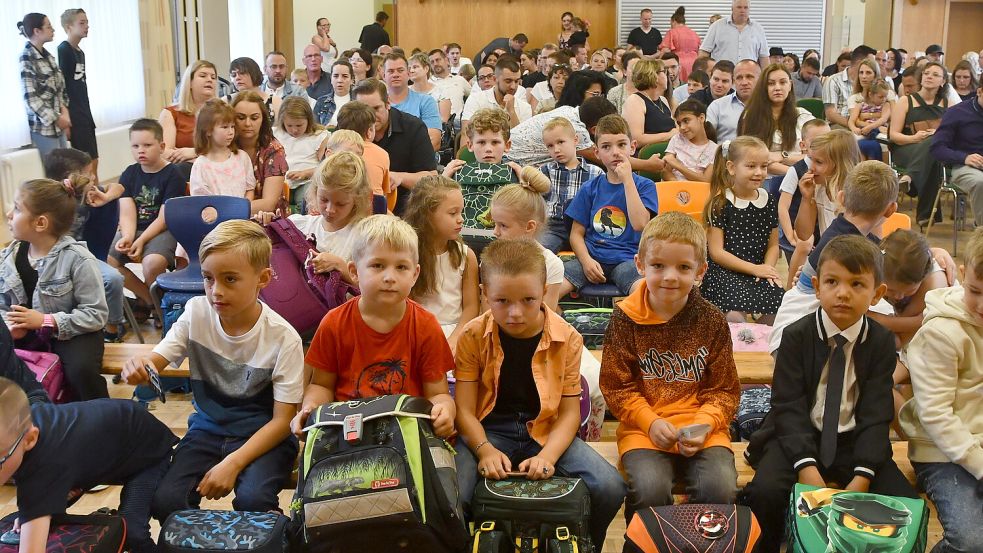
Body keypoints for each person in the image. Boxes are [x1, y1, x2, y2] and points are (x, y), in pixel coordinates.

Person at [745, 234, 920, 553]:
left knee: (906, 504)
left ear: (876, 294)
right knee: (765, 492)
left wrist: (863, 474)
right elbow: (788, 407)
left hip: (855, 442)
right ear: (817, 286)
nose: (843, 293)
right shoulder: (795, 337)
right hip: (799, 437)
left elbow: (876, 413)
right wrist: (806, 465)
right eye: (833, 282)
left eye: (856, 285)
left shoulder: (881, 343)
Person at [454, 238, 626, 547]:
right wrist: (484, 450)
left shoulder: (567, 338)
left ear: (545, 291)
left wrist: (548, 456)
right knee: (453, 492)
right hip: (488, 430)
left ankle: (584, 543)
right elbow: (464, 410)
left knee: (609, 486)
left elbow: (571, 413)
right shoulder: (472, 336)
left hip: (546, 431)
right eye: (502, 301)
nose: (515, 312)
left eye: (528, 300)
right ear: (484, 295)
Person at [600, 212, 740, 519]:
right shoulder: (624, 318)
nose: (670, 276)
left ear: (700, 271)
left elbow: (725, 391)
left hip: (704, 430)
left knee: (720, 487)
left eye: (684, 267)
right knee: (650, 489)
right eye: (658, 266)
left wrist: (704, 422)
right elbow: (616, 388)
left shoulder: (712, 320)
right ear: (640, 265)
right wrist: (650, 421)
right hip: (643, 429)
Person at [292, 214, 456, 437]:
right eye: (377, 265)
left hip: (405, 433)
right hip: (345, 433)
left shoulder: (426, 325)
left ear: (415, 274)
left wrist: (444, 411)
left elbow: (438, 393)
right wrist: (310, 408)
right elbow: (321, 386)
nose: (390, 277)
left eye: (401, 267)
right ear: (353, 272)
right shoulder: (334, 322)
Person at [0, 379, 178, 553]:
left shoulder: (43, 463)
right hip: (103, 449)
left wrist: (33, 513)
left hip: (148, 452)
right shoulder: (19, 432)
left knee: (133, 530)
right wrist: (31, 513)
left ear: (30, 439)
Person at [898, 228, 983, 553]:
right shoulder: (944, 333)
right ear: (962, 274)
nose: (981, 305)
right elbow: (936, 415)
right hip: (941, 451)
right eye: (974, 291)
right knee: (971, 542)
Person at [768, 161, 900, 353]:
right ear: (891, 210)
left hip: (799, 325)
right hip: (795, 339)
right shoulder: (849, 246)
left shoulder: (847, 230)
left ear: (842, 197)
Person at [1, 178, 109, 400]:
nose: (9, 214)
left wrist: (45, 321)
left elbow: (95, 315)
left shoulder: (78, 259)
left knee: (81, 372)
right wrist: (9, 326)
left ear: (40, 223)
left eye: (17, 208)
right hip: (27, 332)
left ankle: (100, 416)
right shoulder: (8, 258)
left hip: (74, 332)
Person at [559, 114, 659, 299]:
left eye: (621, 145)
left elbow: (640, 224)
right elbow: (576, 234)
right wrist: (586, 260)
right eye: (606, 146)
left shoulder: (645, 186)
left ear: (633, 147)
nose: (615, 152)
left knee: (645, 293)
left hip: (629, 260)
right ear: (597, 153)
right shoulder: (590, 188)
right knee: (550, 286)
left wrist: (627, 180)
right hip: (591, 258)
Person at [42, 148, 128, 342]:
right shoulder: (49, 201)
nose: (93, 177)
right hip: (56, 257)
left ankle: (112, 330)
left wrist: (106, 197)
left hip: (83, 255)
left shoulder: (89, 194)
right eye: (88, 173)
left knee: (113, 278)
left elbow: (119, 187)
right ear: (70, 177)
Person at [701, 136, 784, 323]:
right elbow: (716, 252)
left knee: (779, 314)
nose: (759, 172)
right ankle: (742, 347)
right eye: (751, 166)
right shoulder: (720, 203)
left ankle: (758, 346)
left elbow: (773, 245)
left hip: (759, 270)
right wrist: (755, 269)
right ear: (731, 168)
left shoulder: (769, 200)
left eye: (764, 166)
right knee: (734, 317)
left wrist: (768, 269)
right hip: (725, 272)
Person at [108, 119, 184, 320]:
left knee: (152, 264)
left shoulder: (173, 174)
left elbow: (164, 218)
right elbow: (127, 212)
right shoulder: (129, 173)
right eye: (135, 146)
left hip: (163, 230)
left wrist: (141, 241)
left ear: (161, 147)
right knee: (106, 261)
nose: (141, 150)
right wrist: (128, 237)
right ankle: (150, 300)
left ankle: (161, 312)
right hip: (135, 229)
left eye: (147, 145)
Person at [258, 152, 371, 286]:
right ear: (315, 191)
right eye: (323, 200)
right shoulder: (299, 225)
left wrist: (341, 267)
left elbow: (372, 286)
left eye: (340, 204)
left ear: (357, 200)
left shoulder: (365, 237)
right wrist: (268, 229)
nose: (329, 209)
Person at [404, 177, 479, 350]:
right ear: (426, 215)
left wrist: (453, 341)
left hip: (457, 332)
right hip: (416, 332)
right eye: (453, 213)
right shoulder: (408, 254)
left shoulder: (466, 256)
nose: (460, 219)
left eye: (461, 212)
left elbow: (471, 308)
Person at [354, 79, 437, 216]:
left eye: (376, 109)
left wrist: (399, 178)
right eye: (364, 110)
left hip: (405, 212)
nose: (370, 117)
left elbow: (431, 178)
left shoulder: (413, 127)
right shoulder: (349, 125)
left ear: (388, 104)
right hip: (356, 211)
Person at [889, 61, 950, 225]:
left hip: (932, 152)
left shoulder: (948, 103)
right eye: (927, 73)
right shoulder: (905, 101)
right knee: (934, 150)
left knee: (934, 145)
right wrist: (914, 138)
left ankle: (910, 178)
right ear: (921, 77)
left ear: (943, 81)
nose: (929, 76)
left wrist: (936, 134)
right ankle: (926, 215)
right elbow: (894, 135)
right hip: (906, 148)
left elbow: (953, 133)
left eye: (935, 74)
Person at [487, 180, 564, 309]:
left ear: (529, 226)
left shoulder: (551, 264)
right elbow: (487, 314)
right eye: (494, 224)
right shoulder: (490, 260)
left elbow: (547, 316)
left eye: (503, 225)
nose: (495, 232)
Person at [538, 117, 605, 253]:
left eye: (561, 142)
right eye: (550, 146)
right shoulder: (545, 171)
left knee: (599, 252)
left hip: (584, 227)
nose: (556, 149)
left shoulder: (595, 172)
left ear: (575, 140)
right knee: (539, 251)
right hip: (553, 227)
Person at [776, 119, 831, 280]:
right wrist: (791, 237)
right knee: (800, 276)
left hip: (821, 234)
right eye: (816, 141)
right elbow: (783, 207)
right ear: (802, 145)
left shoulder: (831, 171)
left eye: (827, 140)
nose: (822, 145)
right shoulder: (795, 170)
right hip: (799, 234)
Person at [737, 64, 814, 176]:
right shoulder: (751, 116)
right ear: (763, 87)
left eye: (783, 82)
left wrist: (782, 156)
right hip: (764, 178)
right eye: (771, 83)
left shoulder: (804, 116)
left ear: (790, 85)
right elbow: (755, 160)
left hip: (804, 177)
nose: (777, 88)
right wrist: (793, 174)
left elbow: (816, 156)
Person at [931, 80, 982, 229]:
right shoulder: (957, 113)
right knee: (981, 183)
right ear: (979, 92)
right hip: (963, 166)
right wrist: (965, 158)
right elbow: (937, 148)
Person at [18, 13, 69, 161]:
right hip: (43, 128)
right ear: (36, 31)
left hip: (59, 126)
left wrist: (64, 112)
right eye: (48, 26)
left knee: (66, 172)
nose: (52, 30)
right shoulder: (26, 57)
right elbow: (30, 98)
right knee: (54, 176)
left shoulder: (49, 57)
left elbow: (60, 89)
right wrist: (56, 118)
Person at [232, 91, 289, 214]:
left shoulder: (274, 150)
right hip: (228, 217)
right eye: (241, 117)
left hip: (267, 219)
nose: (248, 124)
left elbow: (268, 204)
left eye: (254, 118)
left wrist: (225, 210)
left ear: (263, 119)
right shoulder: (223, 147)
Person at [57, 9, 97, 182]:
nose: (86, 26)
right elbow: (62, 86)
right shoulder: (64, 50)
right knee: (83, 162)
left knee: (94, 158)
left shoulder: (80, 52)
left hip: (85, 112)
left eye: (87, 22)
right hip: (74, 114)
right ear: (69, 27)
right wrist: (66, 118)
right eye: (82, 23)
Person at [190, 98, 255, 200]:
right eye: (225, 127)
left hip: (242, 214)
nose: (231, 132)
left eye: (232, 126)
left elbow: (249, 190)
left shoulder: (242, 157)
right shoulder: (201, 165)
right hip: (215, 215)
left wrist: (242, 209)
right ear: (208, 131)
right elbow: (200, 201)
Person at [274, 97, 328, 211]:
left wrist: (305, 173)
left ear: (308, 120)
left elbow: (327, 167)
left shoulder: (320, 136)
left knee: (307, 200)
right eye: (289, 126)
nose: (294, 130)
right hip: (279, 181)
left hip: (306, 181)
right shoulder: (275, 134)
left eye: (299, 125)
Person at [160, 60, 217, 167]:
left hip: (215, 168)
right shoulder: (170, 113)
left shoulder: (221, 113)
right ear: (189, 82)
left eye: (213, 77)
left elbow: (226, 149)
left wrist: (195, 152)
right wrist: (195, 161)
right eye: (203, 76)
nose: (210, 80)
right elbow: (164, 152)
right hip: (183, 169)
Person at [335, 102, 392, 209]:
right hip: (373, 207)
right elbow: (384, 191)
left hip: (339, 205)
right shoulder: (382, 154)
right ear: (369, 131)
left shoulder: (334, 149)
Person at [383, 54, 442, 150]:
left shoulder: (426, 101)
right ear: (384, 76)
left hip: (418, 161)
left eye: (400, 70)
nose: (395, 75)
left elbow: (434, 141)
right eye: (390, 71)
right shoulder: (377, 104)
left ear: (408, 74)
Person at [462, 57, 532, 133]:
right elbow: (465, 134)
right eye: (508, 81)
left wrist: (511, 112)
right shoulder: (476, 99)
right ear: (495, 79)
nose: (513, 86)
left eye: (516, 81)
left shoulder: (525, 107)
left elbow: (522, 141)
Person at [623, 59, 677, 147]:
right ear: (654, 76)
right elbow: (636, 139)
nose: (667, 76)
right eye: (664, 72)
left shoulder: (663, 100)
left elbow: (675, 128)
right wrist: (669, 135)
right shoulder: (635, 100)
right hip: (647, 155)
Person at [699, 0, 769, 66]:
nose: (742, 10)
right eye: (739, 7)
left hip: (748, 75)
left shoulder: (758, 28)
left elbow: (764, 57)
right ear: (732, 8)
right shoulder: (717, 26)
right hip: (722, 75)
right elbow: (704, 52)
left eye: (746, 7)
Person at [662, 99, 717, 182]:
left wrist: (677, 165)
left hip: (698, 191)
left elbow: (706, 180)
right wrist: (678, 186)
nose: (682, 127)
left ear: (701, 118)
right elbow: (665, 171)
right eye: (679, 123)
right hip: (674, 188)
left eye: (686, 121)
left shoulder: (715, 149)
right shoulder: (677, 139)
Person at [707, 59, 761, 142]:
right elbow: (706, 140)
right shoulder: (717, 106)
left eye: (749, 77)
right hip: (725, 154)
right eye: (739, 78)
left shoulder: (770, 106)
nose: (744, 82)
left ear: (760, 79)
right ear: (734, 81)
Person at [823, 46, 871, 129]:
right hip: (840, 125)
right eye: (871, 63)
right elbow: (831, 114)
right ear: (860, 63)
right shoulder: (833, 81)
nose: (874, 66)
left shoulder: (870, 81)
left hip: (865, 124)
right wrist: (853, 125)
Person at [848, 75, 894, 161]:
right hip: (863, 131)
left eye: (885, 96)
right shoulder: (860, 105)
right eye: (880, 97)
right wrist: (854, 128)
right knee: (856, 141)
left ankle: (885, 167)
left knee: (884, 144)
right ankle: (862, 166)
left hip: (879, 130)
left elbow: (883, 119)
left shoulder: (886, 105)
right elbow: (851, 120)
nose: (884, 99)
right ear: (871, 95)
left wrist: (870, 127)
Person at [429, 48, 471, 120]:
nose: (435, 64)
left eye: (438, 60)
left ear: (446, 61)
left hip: (460, 124)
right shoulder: (428, 84)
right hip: (440, 125)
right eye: (432, 62)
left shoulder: (459, 80)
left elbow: (474, 96)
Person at [408, 53, 451, 124]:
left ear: (426, 69)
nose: (411, 70)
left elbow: (443, 120)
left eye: (415, 67)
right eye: (409, 68)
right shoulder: (404, 92)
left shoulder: (442, 92)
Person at [313, 59, 354, 127]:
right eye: (335, 76)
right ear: (331, 79)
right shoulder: (321, 101)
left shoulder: (359, 101)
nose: (340, 80)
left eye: (345, 76)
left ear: (352, 80)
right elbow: (314, 127)